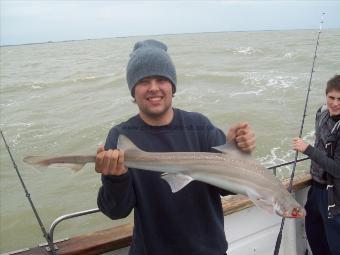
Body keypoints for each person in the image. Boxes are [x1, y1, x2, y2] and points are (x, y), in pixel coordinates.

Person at [96, 39, 256, 255]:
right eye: (144, 81)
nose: (154, 88)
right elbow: (116, 211)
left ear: (172, 86)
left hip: (208, 250)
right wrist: (115, 179)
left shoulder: (200, 127)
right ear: (133, 91)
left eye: (161, 79)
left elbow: (229, 189)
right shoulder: (121, 137)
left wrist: (234, 153)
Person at [293, 75, 340, 255]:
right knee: (313, 232)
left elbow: (337, 169)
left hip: (333, 195)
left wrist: (307, 149)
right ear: (326, 96)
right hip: (316, 187)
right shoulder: (321, 113)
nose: (335, 103)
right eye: (331, 98)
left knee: (335, 242)